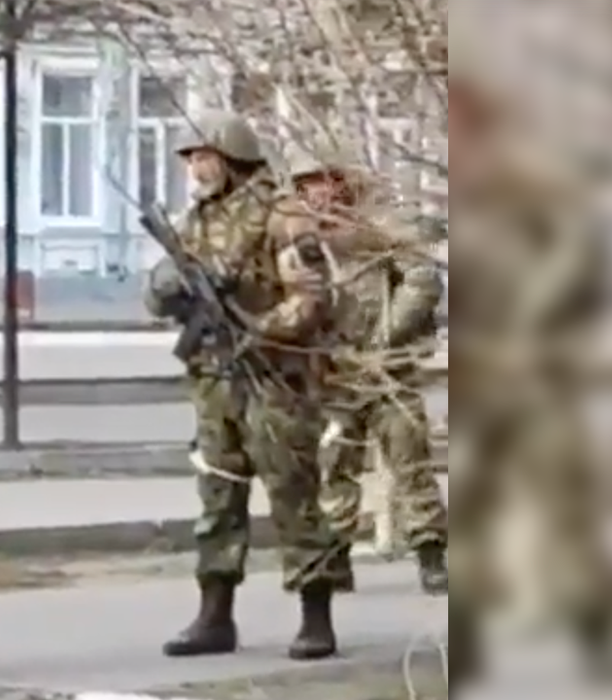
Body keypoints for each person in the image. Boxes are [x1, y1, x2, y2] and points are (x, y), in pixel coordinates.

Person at [145, 112, 351, 661]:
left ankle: (316, 615)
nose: (193, 166)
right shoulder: (196, 221)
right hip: (214, 382)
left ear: (231, 156)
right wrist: (166, 288)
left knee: (294, 496)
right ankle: (214, 617)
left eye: (201, 155)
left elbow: (312, 297)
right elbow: (160, 297)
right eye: (189, 158)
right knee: (217, 497)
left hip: (274, 380)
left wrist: (259, 330)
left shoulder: (280, 216)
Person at [447, 51, 612, 685]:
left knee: (567, 505)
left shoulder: (533, 188)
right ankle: (462, 645)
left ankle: (595, 632)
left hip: (541, 374)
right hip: (482, 375)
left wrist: (531, 330)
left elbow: (576, 259)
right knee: (471, 508)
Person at [280, 145, 449, 596]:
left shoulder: (379, 227)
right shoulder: (298, 238)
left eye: (322, 180)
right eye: (305, 184)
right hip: (333, 371)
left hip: (386, 369)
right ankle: (336, 556)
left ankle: (431, 550)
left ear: (341, 180)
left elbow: (423, 279)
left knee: (409, 459)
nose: (315, 192)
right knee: (334, 462)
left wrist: (390, 333)